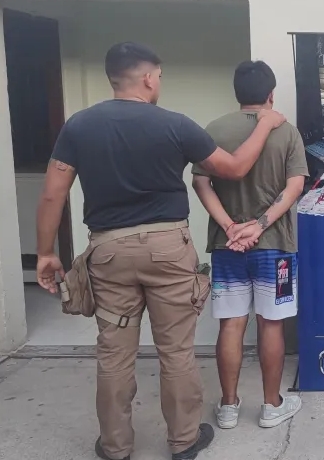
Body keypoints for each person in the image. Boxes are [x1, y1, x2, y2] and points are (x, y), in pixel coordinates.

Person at [36, 42, 286, 460]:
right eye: (160, 76)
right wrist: (265, 124)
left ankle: (115, 446)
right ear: (149, 78)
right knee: (175, 350)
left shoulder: (79, 126)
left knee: (114, 353)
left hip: (109, 252)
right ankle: (184, 441)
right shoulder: (174, 124)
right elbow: (235, 168)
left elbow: (52, 194)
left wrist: (46, 252)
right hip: (168, 249)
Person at [191, 61, 307, 431]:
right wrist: (259, 226)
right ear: (271, 93)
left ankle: (228, 406)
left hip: (228, 247)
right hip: (277, 247)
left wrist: (230, 226)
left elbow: (200, 182)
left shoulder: (214, 129)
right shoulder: (286, 131)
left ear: (237, 93)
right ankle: (272, 405)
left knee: (231, 324)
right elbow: (295, 187)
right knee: (271, 325)